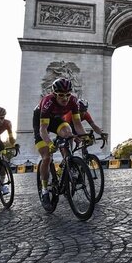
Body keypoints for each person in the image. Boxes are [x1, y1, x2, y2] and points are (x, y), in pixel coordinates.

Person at [33, 77, 89, 210]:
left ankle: (67, 162)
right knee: (47, 157)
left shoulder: (74, 101)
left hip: (57, 120)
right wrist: (49, 143)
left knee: (69, 132)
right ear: (54, 94)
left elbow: (77, 124)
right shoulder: (47, 102)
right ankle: (45, 190)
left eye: (67, 95)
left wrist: (85, 136)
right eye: (61, 95)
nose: (65, 98)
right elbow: (43, 129)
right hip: (41, 122)